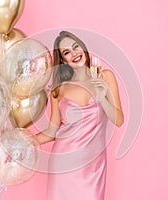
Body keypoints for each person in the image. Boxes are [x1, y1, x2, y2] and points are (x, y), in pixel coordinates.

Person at [35, 31, 124, 200]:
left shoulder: (105, 77)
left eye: (76, 47)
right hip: (63, 163)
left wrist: (102, 97)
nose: (74, 53)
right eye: (67, 52)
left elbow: (118, 120)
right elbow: (52, 132)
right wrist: (24, 141)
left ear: (83, 48)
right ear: (63, 60)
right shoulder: (59, 89)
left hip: (93, 168)